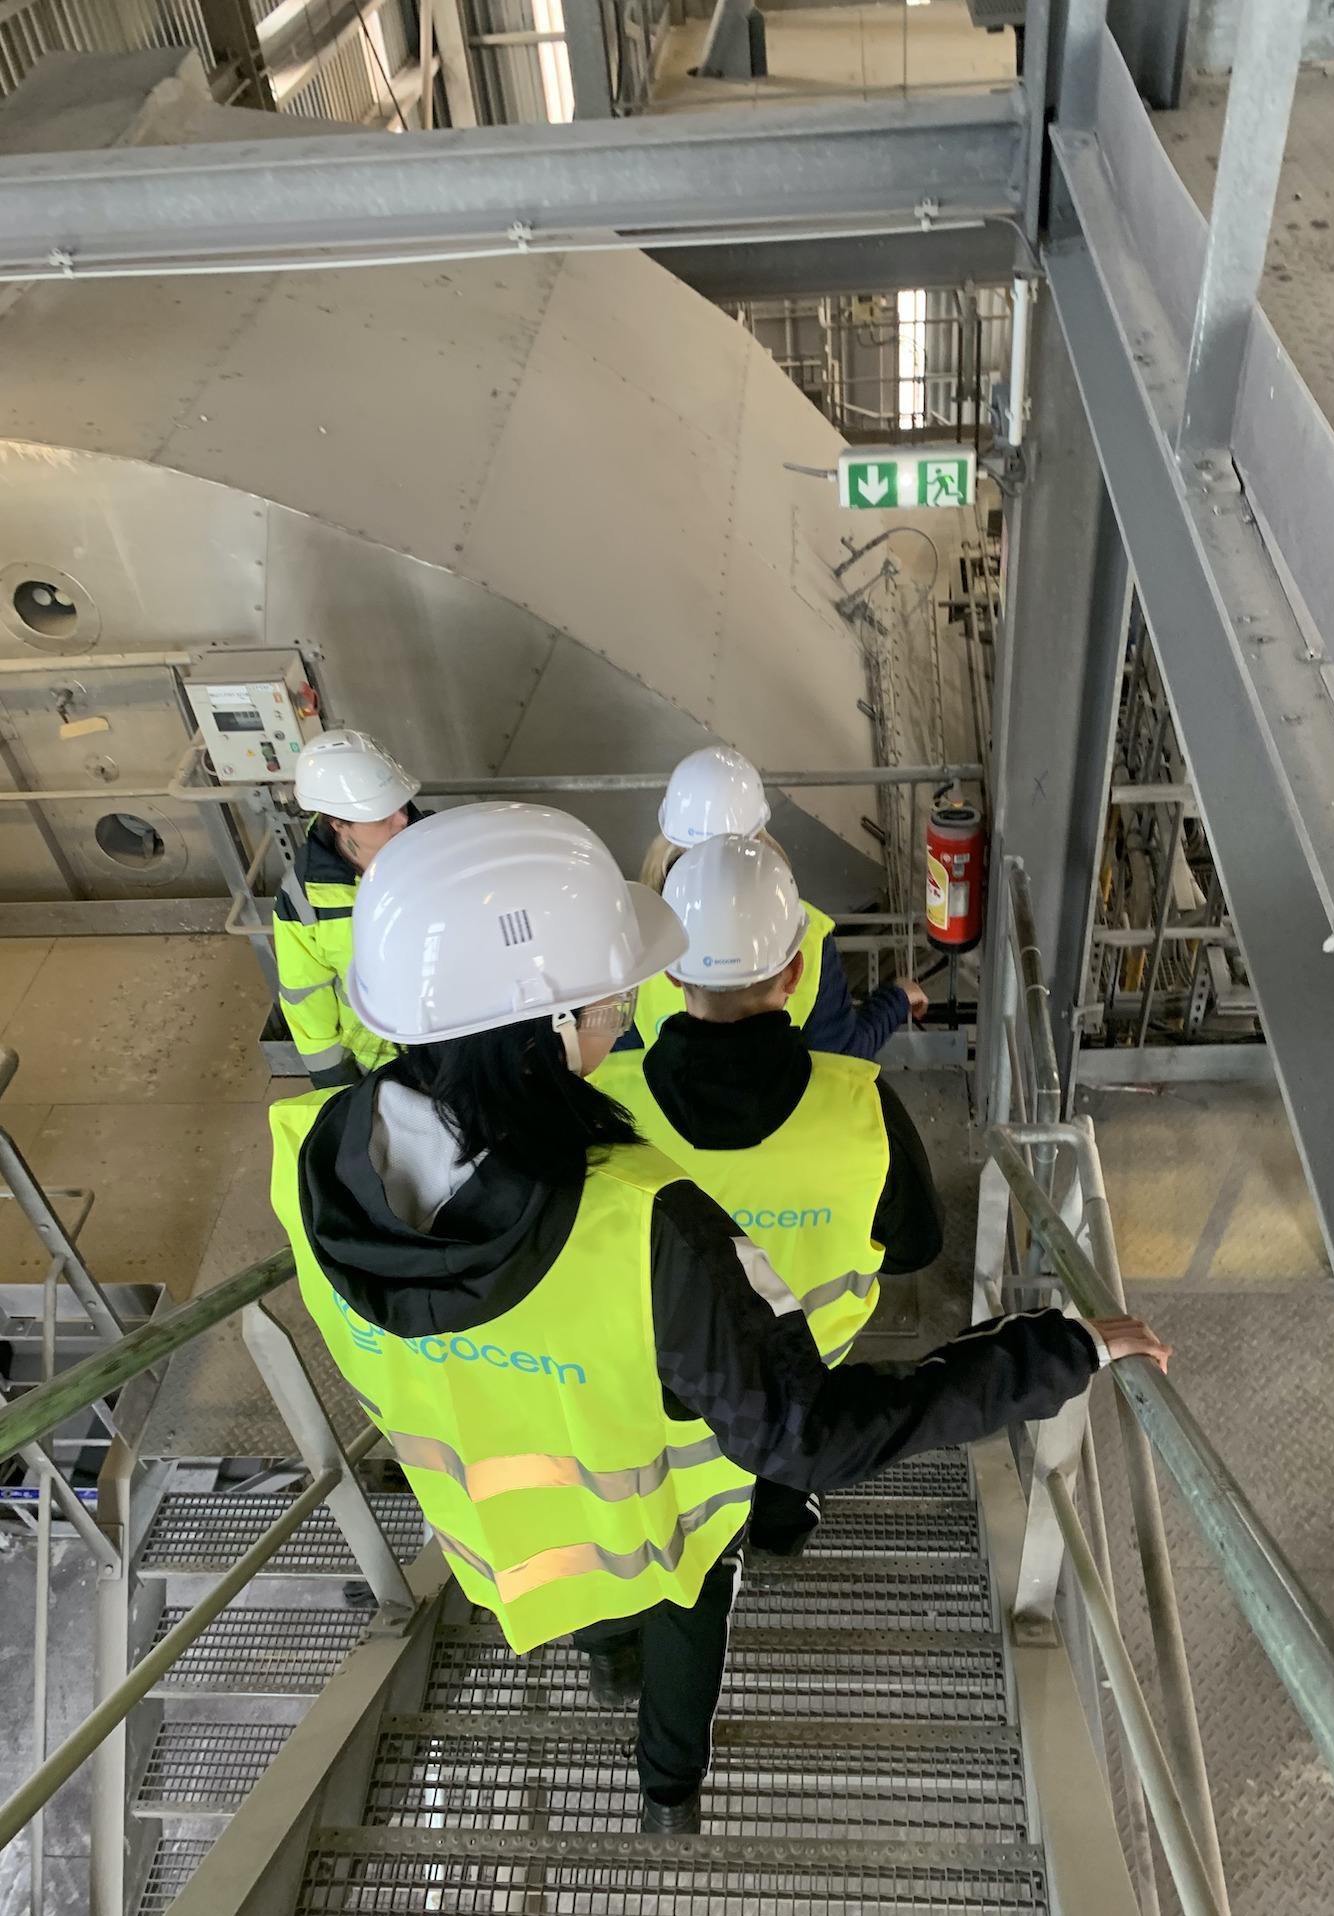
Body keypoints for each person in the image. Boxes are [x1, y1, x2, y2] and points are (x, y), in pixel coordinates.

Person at [267, 801, 1170, 1836]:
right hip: (664, 1529)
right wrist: (1059, 1346)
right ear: (543, 1028)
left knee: (598, 1617)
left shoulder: (306, 1157)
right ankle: (666, 1793)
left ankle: (609, 1661)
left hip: (499, 1541)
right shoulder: (646, 1227)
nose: (619, 1015)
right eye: (603, 998)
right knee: (679, 1620)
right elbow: (811, 1432)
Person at [599, 834, 944, 1558]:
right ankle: (782, 1520)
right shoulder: (864, 1108)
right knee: (797, 1428)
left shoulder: (602, 1106)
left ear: (668, 972)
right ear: (795, 973)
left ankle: (700, 1547)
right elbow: (916, 1247)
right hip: (811, 1363)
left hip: (676, 1368)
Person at [624, 744, 927, 1058]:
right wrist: (897, 999)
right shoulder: (808, 932)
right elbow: (840, 1054)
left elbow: (616, 1060)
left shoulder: (635, 936)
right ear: (792, 971)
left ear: (672, 972)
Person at [274, 730, 423, 1090]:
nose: (402, 820)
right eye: (381, 816)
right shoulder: (306, 897)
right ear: (337, 823)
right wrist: (332, 1080)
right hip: (380, 1066)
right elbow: (306, 993)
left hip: (458, 1042)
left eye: (401, 806)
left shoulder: (439, 853)